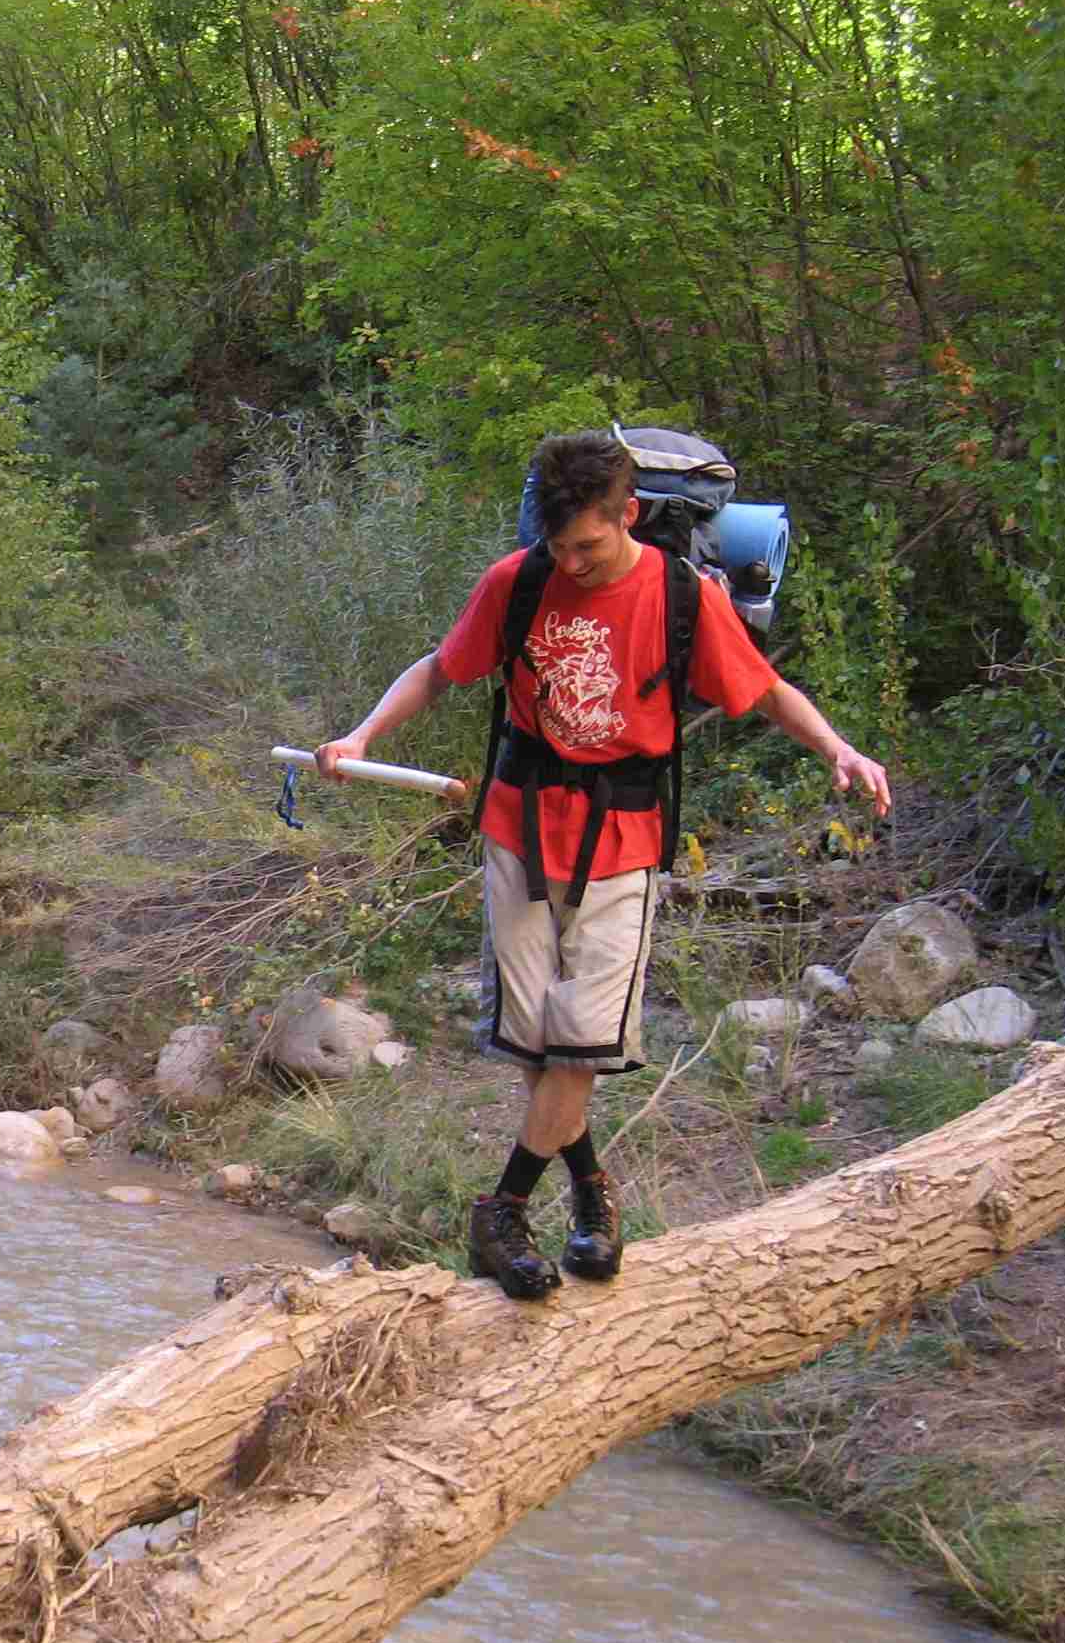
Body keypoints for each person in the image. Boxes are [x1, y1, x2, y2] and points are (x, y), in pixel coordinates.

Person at [319, 431, 891, 1300]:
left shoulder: (680, 596)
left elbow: (764, 689)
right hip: (518, 827)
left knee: (579, 1049)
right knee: (537, 1041)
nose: (572, 564)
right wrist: (363, 734)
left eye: (588, 545)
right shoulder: (517, 584)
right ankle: (591, 1189)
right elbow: (441, 671)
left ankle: (502, 1209)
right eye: (558, 548)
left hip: (623, 839)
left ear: (628, 514)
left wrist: (838, 748)